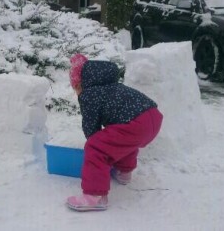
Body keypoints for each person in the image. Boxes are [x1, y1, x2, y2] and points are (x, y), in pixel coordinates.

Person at [66, 53, 163, 212]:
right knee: (119, 138)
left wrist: (94, 146)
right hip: (153, 117)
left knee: (96, 146)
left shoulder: (89, 94)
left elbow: (91, 127)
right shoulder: (114, 87)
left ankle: (94, 196)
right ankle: (124, 172)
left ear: (78, 84)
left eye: (75, 87)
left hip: (137, 124)